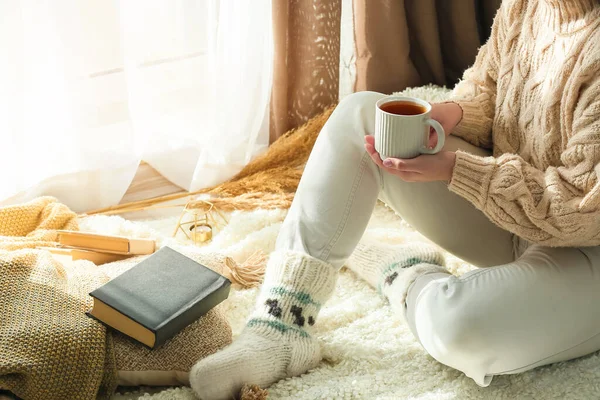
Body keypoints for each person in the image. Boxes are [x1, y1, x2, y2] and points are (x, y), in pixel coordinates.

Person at [190, 0, 600, 398]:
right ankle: (278, 329)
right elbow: (488, 89)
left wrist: (458, 170)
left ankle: (403, 273)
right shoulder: (526, 6)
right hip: (515, 214)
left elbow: (582, 204)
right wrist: (454, 112)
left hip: (585, 249)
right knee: (361, 117)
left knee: (457, 326)